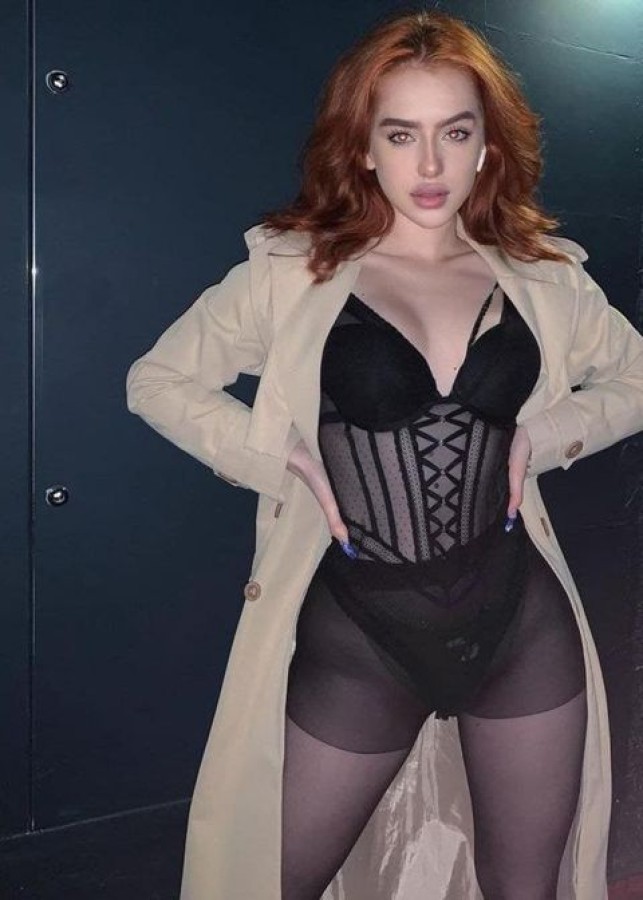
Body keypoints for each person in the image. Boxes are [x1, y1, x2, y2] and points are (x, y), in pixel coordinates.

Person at [126, 10, 643, 900]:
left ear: (487, 146)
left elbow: (633, 377)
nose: (429, 164)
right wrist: (276, 454)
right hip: (360, 637)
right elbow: (157, 380)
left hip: (521, 624)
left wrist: (545, 433)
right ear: (362, 147)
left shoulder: (544, 274)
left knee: (526, 886)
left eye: (455, 133)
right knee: (267, 879)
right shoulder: (294, 270)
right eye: (400, 135)